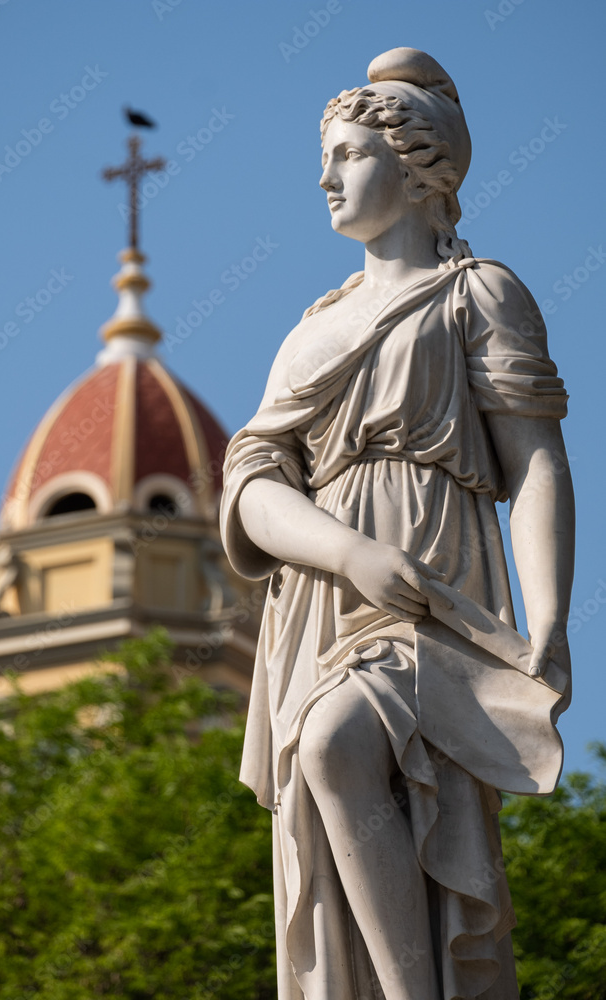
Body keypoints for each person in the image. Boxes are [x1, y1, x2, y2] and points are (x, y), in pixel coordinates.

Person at [220, 47, 574, 1000]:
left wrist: (548, 624)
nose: (326, 178)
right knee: (330, 788)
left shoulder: (477, 294)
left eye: (346, 154)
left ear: (419, 166)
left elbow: (534, 462)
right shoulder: (311, 328)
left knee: (343, 747)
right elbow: (251, 483)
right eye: (326, 159)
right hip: (328, 594)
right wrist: (346, 551)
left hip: (436, 590)